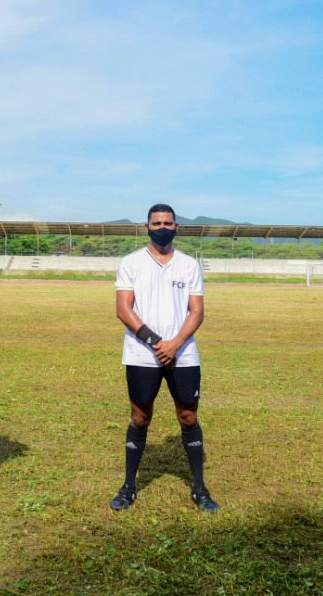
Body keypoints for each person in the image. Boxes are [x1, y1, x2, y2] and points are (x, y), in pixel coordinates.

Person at [110, 204, 219, 513]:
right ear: (147, 227)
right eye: (156, 222)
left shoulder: (188, 265)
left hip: (183, 355)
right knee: (140, 417)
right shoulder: (131, 263)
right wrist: (158, 343)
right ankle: (130, 485)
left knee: (188, 417)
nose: (162, 227)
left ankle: (199, 487)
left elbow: (196, 312)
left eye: (167, 223)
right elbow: (123, 309)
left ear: (177, 227)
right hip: (142, 355)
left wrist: (175, 344)